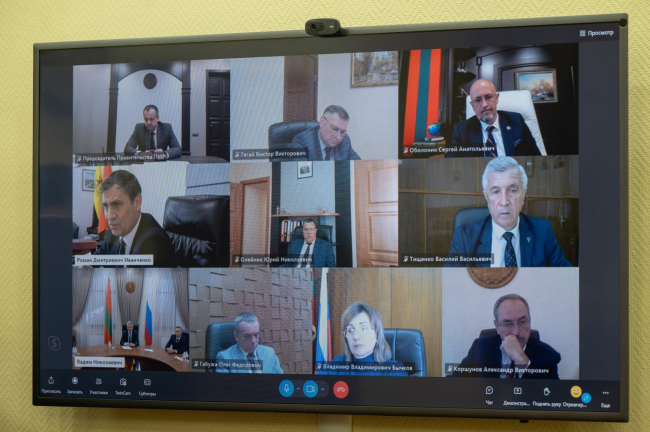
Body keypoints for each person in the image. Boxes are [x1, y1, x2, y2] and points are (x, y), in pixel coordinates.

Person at [446, 157, 572, 267]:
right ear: (486, 197)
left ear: (524, 194)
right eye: (496, 192)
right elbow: (448, 282)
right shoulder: (465, 238)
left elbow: (566, 279)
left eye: (513, 190)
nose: (504, 201)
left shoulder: (543, 232)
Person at [450, 294, 561, 379]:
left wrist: (520, 358)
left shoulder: (548, 355)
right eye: (508, 323)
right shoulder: (480, 347)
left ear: (529, 321)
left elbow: (549, 395)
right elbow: (454, 382)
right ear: (497, 326)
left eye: (522, 322)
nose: (516, 332)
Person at [94, 170, 177, 267]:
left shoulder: (155, 243)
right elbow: (99, 257)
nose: (109, 216)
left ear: (137, 202)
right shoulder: (115, 231)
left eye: (116, 204)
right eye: (106, 206)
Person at [445, 79, 541, 158]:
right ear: (472, 105)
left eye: (488, 97)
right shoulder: (461, 130)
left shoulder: (516, 120)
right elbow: (452, 166)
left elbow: (535, 157)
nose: (484, 104)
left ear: (496, 98)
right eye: (478, 100)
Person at [320, 302, 407, 376]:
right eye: (350, 330)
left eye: (363, 328)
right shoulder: (336, 364)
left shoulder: (394, 371)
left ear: (377, 335)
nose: (356, 337)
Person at [215, 312, 283, 374]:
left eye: (256, 335)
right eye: (247, 336)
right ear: (236, 336)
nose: (253, 341)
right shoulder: (224, 358)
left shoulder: (270, 353)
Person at [292, 105, 361, 161]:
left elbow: (359, 165)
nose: (338, 137)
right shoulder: (301, 141)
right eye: (334, 129)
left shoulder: (344, 141)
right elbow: (299, 172)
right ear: (322, 121)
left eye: (342, 132)